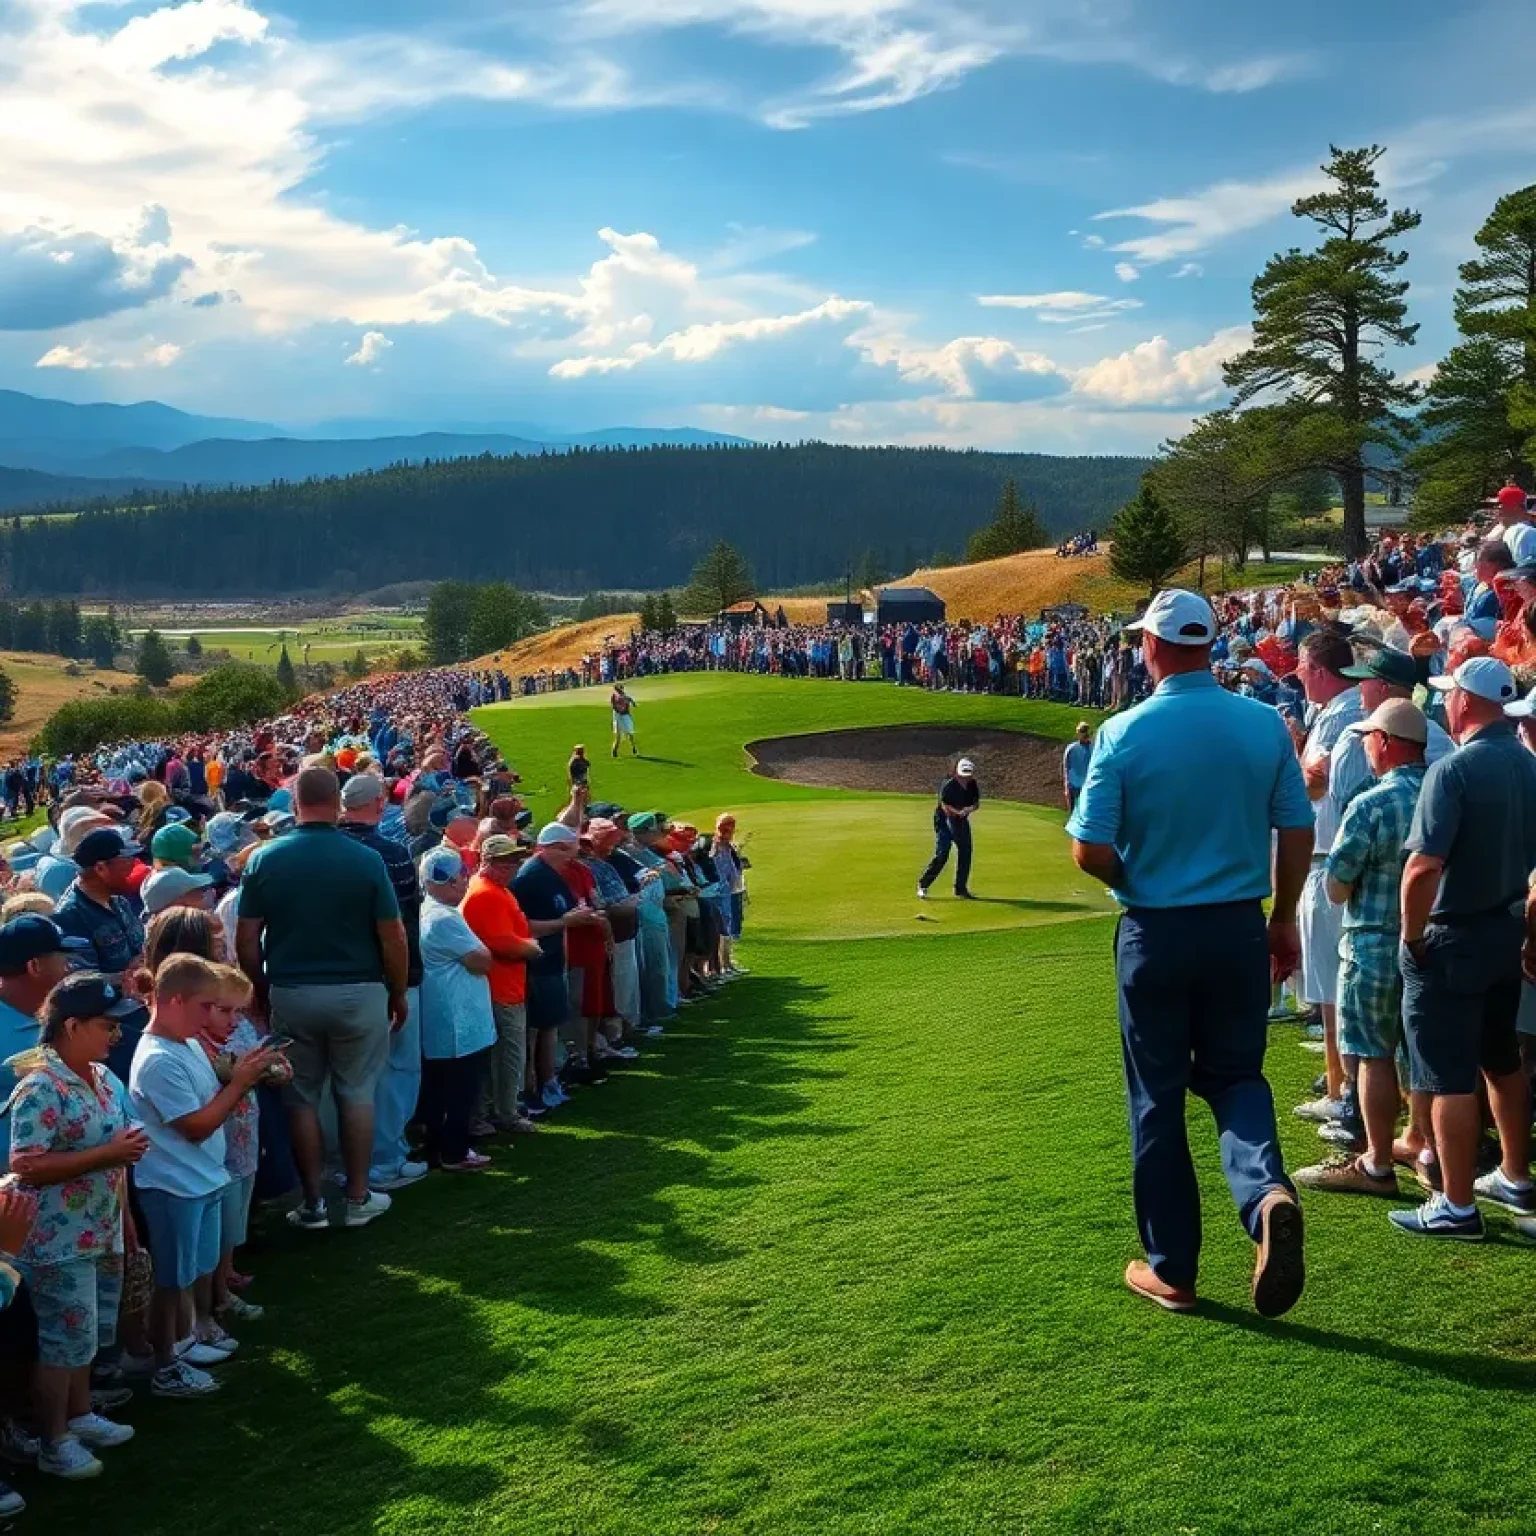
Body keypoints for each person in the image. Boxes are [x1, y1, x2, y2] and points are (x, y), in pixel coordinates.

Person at [1067, 588, 1313, 1316]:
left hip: (1156, 932)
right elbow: (1295, 831)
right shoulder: (1264, 724)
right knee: (1237, 1076)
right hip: (1239, 926)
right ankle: (1266, 1194)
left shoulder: (1122, 733)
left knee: (1158, 1099)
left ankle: (1174, 1270)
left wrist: (1133, 877)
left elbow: (1090, 851)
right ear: (1209, 643)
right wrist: (1285, 915)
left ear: (1150, 647)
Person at [1394, 658, 1536, 1237]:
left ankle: (1456, 1204)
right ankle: (1515, 1175)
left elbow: (1423, 868)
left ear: (1467, 703)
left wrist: (1410, 935)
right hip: (1508, 934)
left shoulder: (1452, 771)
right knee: (1501, 1060)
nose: (1446, 704)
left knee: (1448, 1073)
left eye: (1452, 696)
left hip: (1454, 939)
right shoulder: (1529, 766)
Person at [235, 766, 408, 1232]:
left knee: (300, 1097)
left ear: (294, 805)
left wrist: (263, 988)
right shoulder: (365, 859)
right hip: (359, 989)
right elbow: (392, 937)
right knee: (357, 1092)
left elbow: (246, 939)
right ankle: (356, 1196)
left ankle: (312, 1203)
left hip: (292, 990)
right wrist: (398, 991)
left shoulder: (264, 859)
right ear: (336, 802)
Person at [6, 973, 145, 1478]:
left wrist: (124, 1215)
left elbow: (118, 1152)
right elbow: (26, 1163)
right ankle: (54, 1439)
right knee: (64, 1342)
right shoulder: (40, 1088)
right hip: (56, 1240)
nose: (117, 1036)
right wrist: (108, 1153)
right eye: (107, 1026)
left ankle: (80, 1414)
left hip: (100, 1225)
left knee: (86, 1336)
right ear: (72, 1025)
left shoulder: (101, 1076)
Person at [1294, 699, 1430, 1195]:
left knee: (1371, 1054)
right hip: (1429, 941)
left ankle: (1375, 1161)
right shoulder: (1443, 791)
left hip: (1373, 940)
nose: (1366, 746)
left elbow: (1337, 884)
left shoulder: (1371, 802)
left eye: (1370, 737)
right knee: (1421, 1051)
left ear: (1388, 744)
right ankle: (1423, 1143)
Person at [130, 955, 281, 1397]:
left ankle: (185, 1342)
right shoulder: (158, 1059)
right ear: (176, 1000)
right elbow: (195, 1127)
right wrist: (242, 1083)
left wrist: (245, 1070)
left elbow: (211, 1092)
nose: (212, 1017)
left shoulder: (187, 1043)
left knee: (193, 1271)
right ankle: (165, 1366)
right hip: (174, 1185)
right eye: (207, 1006)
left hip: (202, 1178)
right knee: (171, 1281)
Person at [339, 772, 427, 1194]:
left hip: (335, 982)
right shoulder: (390, 854)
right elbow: (402, 926)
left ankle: (351, 1163)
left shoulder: (325, 850)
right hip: (386, 981)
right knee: (396, 1069)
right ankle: (386, 1158)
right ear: (376, 804)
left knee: (347, 1076)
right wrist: (402, 984)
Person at [1293, 630, 1364, 1125]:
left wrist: (1294, 757)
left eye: (1301, 665)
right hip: (1327, 858)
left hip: (1329, 860)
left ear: (1318, 669)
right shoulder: (1337, 712)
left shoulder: (1340, 716)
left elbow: (1311, 784)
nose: (1296, 674)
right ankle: (1343, 1082)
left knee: (1333, 986)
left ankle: (1343, 1091)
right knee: (1331, 984)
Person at [513, 824, 606, 1109]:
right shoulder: (529, 877)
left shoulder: (553, 874)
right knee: (533, 1030)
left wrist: (578, 917)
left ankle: (548, 1081)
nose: (573, 856)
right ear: (553, 847)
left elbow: (562, 912)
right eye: (568, 849)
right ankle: (530, 1088)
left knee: (549, 1025)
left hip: (553, 960)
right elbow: (522, 926)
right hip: (535, 965)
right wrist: (567, 922)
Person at [417, 847, 497, 1170]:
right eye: (462, 877)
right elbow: (482, 960)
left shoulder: (428, 910)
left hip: (445, 1015)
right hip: (457, 1019)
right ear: (451, 881)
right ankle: (455, 1151)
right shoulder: (444, 918)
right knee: (459, 1089)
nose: (465, 883)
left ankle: (439, 1148)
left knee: (441, 1089)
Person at [460, 834, 542, 1133]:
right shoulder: (486, 894)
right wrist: (532, 947)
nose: (513, 866)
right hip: (499, 989)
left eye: (515, 861)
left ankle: (496, 1111)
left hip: (504, 986)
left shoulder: (497, 890)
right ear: (487, 861)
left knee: (502, 1056)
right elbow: (502, 943)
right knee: (507, 1055)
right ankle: (505, 1114)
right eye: (505, 862)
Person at [0, 916, 91, 1169]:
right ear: (35, 966)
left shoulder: (68, 1013)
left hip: (79, 1179)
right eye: (62, 957)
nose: (69, 967)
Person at [917, 757, 979, 901]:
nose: (965, 778)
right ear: (957, 773)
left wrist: (968, 809)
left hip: (961, 820)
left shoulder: (972, 784)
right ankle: (923, 885)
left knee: (966, 851)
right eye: (963, 775)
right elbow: (945, 806)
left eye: (968, 775)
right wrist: (959, 812)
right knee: (942, 854)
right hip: (944, 820)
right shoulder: (949, 785)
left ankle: (960, 888)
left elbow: (976, 804)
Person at [1062, 723, 1094, 813]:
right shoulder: (1072, 748)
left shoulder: (1094, 748)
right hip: (1074, 785)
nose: (1084, 734)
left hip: (1088, 785)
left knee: (1086, 813)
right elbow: (1066, 767)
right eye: (1081, 731)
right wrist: (1067, 786)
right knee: (1073, 813)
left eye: (1085, 731)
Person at [610, 682, 639, 758]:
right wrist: (619, 710)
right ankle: (614, 751)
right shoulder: (614, 696)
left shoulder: (624, 696)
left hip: (625, 715)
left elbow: (629, 699)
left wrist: (633, 703)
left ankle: (633, 747)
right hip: (617, 716)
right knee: (618, 736)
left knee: (630, 732)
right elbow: (614, 706)